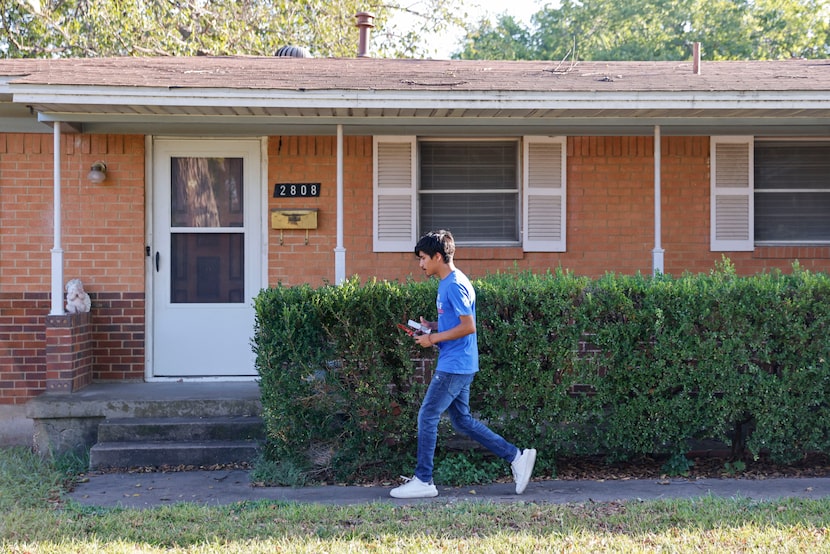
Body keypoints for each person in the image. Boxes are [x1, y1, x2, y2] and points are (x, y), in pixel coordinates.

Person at [390, 230, 537, 499]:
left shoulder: (455, 284)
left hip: (454, 365)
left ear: (437, 256)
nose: (420, 264)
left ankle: (424, 480)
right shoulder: (448, 282)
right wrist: (432, 327)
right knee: (462, 421)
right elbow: (457, 323)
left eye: (423, 258)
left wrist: (432, 338)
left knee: (427, 416)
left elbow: (468, 326)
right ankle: (516, 457)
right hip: (458, 362)